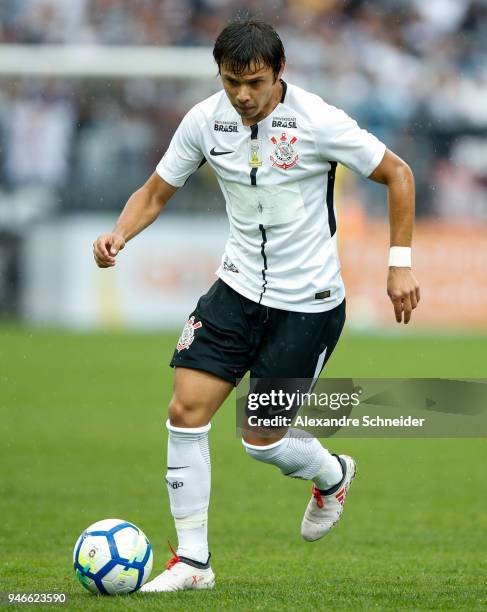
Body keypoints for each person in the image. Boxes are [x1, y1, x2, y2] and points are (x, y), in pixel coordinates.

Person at [93, 19, 420, 593]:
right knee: (184, 411)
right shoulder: (203, 120)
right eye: (230, 82)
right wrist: (120, 234)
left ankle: (333, 472)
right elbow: (154, 192)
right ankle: (193, 563)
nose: (243, 95)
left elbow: (399, 173)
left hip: (308, 304)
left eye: (256, 83)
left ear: (280, 73)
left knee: (260, 439)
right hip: (235, 290)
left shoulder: (318, 121)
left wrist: (399, 262)